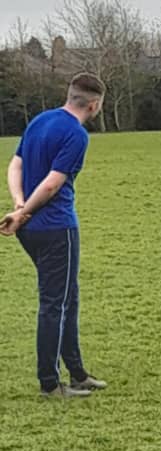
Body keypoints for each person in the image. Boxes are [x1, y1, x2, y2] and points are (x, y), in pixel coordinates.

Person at [0, 73, 109, 398]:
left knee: (66, 298)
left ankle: (77, 372)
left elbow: (14, 166)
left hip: (30, 229)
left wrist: (19, 205)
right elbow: (51, 184)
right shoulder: (76, 135)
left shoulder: (40, 120)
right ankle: (50, 382)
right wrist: (24, 212)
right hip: (56, 228)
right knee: (54, 304)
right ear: (95, 104)